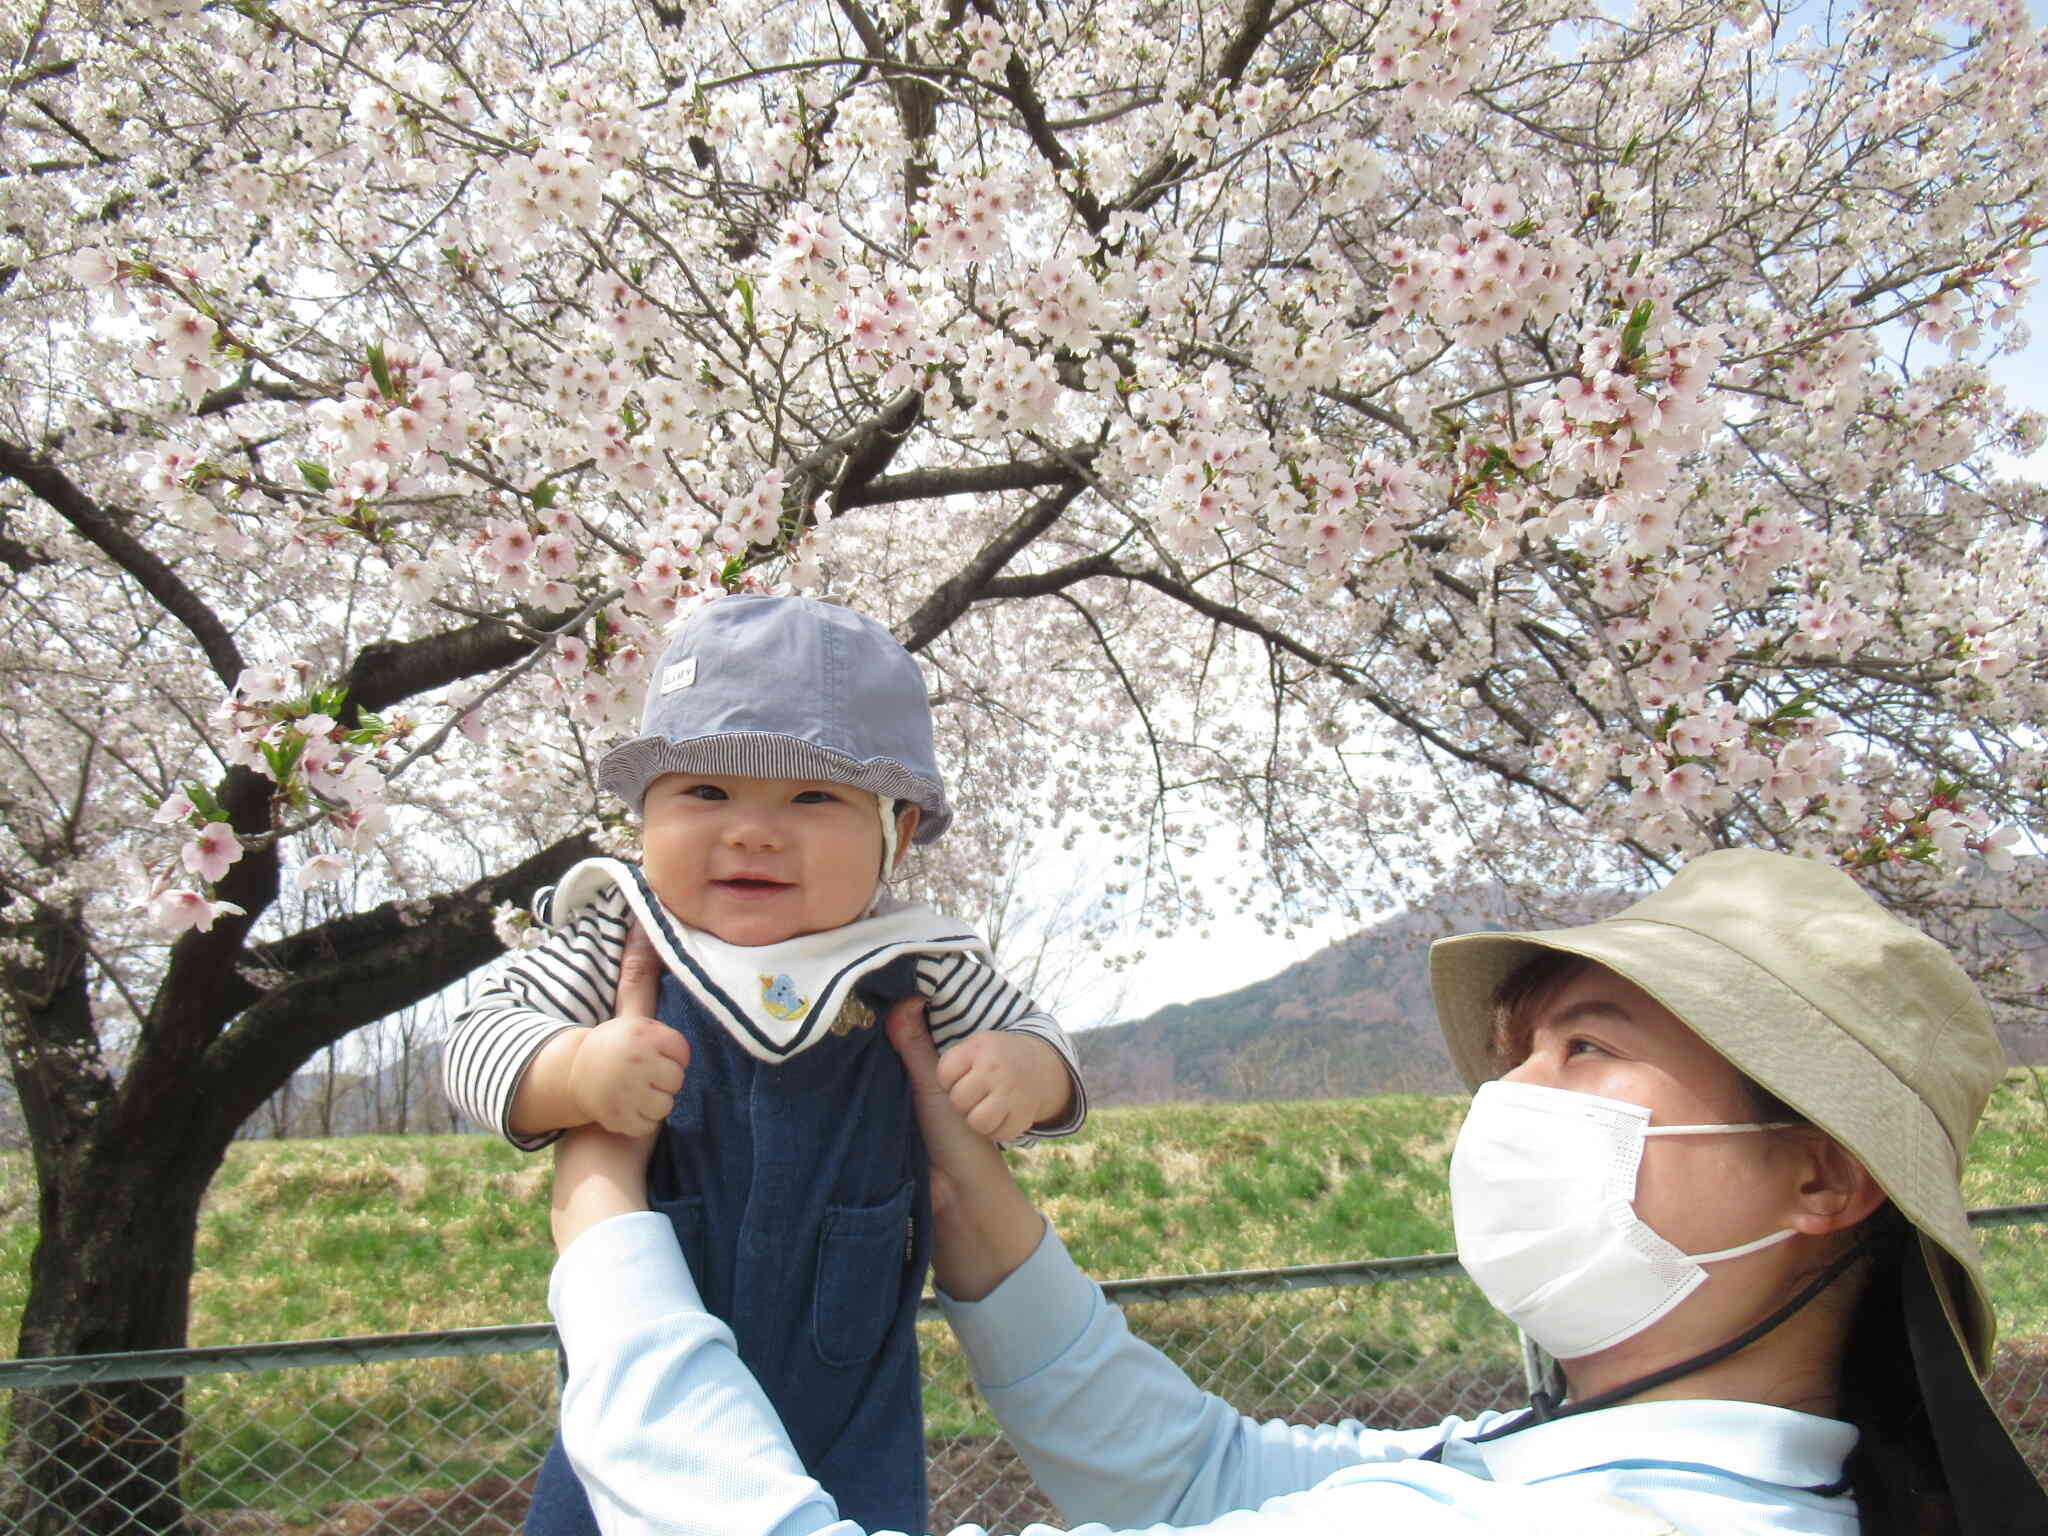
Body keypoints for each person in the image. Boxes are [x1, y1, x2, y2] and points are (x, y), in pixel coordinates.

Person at [544, 848, 2048, 1534]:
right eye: (1516, 1055)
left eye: (1589, 1049)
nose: (1511, 1100)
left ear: (1821, 1178)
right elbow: (1212, 1488)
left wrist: (604, 1229)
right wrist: (982, 1220)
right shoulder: (1574, 1465)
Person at [443, 594, 1087, 1536]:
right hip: (637, 1423)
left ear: (897, 834)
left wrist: (1028, 1071)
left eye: (812, 798)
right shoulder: (627, 937)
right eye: (706, 791)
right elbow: (473, 1030)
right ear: (642, 812)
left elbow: (1049, 1046)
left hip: (851, 1428)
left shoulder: (915, 963)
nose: (751, 831)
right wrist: (575, 1068)